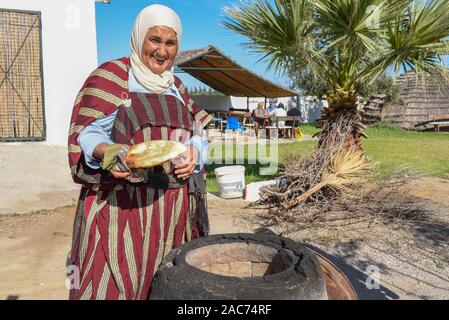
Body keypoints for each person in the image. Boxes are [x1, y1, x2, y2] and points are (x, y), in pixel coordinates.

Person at [67, 4, 213, 300]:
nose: (162, 51)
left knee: (164, 286)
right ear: (138, 39)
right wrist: (111, 153)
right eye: (155, 40)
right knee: (113, 285)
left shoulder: (177, 86)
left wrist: (196, 151)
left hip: (172, 212)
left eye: (170, 43)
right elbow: (87, 134)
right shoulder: (113, 76)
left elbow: (199, 133)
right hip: (122, 208)